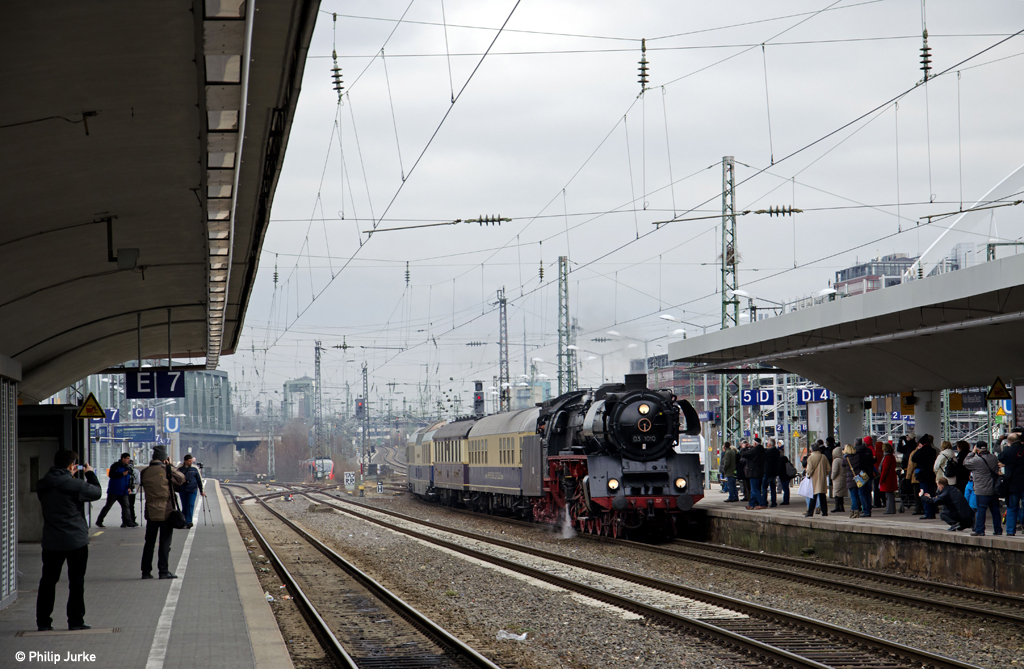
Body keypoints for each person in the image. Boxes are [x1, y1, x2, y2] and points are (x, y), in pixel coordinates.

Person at [35, 450, 102, 631]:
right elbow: (96, 492)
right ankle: (75, 620)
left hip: (51, 541)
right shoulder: (75, 485)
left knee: (48, 581)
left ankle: (43, 622)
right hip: (75, 541)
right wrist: (89, 473)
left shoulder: (42, 485)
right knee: (76, 581)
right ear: (72, 466)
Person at [140, 446, 186, 579]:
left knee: (149, 543)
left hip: (151, 513)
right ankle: (163, 571)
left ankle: (146, 572)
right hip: (166, 513)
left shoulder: (145, 472)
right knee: (164, 543)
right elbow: (181, 479)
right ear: (165, 458)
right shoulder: (167, 470)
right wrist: (170, 466)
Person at [964, 441, 1002, 536]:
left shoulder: (976, 460)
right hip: (994, 489)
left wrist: (972, 452)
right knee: (995, 511)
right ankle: (998, 530)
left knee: (981, 510)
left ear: (977, 448)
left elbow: (965, 463)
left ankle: (980, 530)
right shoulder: (993, 457)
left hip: (981, 489)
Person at [95, 453, 134, 528]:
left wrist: (130, 488)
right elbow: (111, 475)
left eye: (129, 458)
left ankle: (127, 522)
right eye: (127, 458)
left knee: (126, 506)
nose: (128, 460)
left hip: (123, 491)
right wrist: (122, 474)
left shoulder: (128, 468)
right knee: (108, 506)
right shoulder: (115, 466)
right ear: (123, 458)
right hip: (114, 491)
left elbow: (130, 479)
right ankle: (99, 521)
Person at [998, 433, 1024, 536]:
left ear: (1009, 441)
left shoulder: (1008, 451)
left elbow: (1000, 457)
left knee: (1012, 508)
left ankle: (1010, 531)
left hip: (1012, 484)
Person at [911, 435, 938, 519]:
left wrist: (918, 449)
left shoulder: (921, 451)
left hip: (923, 475)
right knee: (932, 493)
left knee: (924, 493)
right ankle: (932, 511)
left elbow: (913, 458)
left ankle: (927, 512)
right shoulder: (933, 451)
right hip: (931, 474)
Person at [177, 454, 206, 528]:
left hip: (192, 490)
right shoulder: (180, 469)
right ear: (185, 461)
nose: (190, 462)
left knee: (190, 505)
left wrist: (202, 490)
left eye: (191, 461)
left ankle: (189, 521)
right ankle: (184, 521)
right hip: (183, 490)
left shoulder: (195, 469)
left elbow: (199, 480)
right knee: (184, 506)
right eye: (189, 461)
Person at [853, 438, 876, 517]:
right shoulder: (868, 451)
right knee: (868, 492)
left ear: (855, 444)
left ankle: (866, 510)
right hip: (869, 474)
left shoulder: (855, 452)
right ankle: (869, 508)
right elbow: (872, 461)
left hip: (860, 474)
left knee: (862, 493)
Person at [805, 443, 829, 517]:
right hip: (822, 479)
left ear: (811, 449)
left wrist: (808, 475)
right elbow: (828, 468)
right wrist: (824, 474)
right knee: (822, 496)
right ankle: (824, 512)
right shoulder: (823, 457)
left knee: (813, 496)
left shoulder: (810, 458)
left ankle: (810, 512)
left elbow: (809, 469)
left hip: (814, 479)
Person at [741, 439, 766, 509]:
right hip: (759, 472)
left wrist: (743, 448)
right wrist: (751, 447)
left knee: (754, 489)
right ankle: (751, 504)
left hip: (753, 472)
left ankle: (762, 503)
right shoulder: (761, 450)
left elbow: (744, 454)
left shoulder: (754, 451)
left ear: (755, 443)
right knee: (754, 489)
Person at [879, 443, 899, 514]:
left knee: (888, 496)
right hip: (891, 478)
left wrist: (881, 479)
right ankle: (891, 509)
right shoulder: (892, 457)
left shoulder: (887, 458)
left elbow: (885, 470)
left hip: (887, 479)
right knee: (890, 495)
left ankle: (889, 510)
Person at [830, 441, 847, 513]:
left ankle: (837, 506)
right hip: (843, 478)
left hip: (837, 479)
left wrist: (832, 477)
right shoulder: (843, 459)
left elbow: (835, 471)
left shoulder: (836, 461)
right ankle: (841, 507)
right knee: (841, 494)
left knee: (836, 493)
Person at [763, 440, 780, 508]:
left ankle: (764, 502)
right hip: (774, 472)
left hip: (767, 471)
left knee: (764, 487)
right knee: (773, 488)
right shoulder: (777, 451)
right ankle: (774, 502)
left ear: (770, 444)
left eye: (767, 443)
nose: (767, 444)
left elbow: (763, 457)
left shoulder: (768, 452)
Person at [127, 458, 139, 527]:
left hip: (124, 491)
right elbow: (138, 482)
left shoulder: (124, 470)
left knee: (125, 506)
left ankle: (125, 521)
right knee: (131, 506)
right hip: (132, 491)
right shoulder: (136, 471)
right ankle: (132, 520)